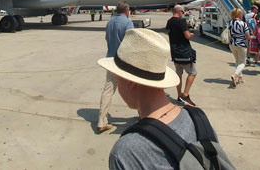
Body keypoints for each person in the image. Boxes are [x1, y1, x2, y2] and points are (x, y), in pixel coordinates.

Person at [98, 28, 235, 170]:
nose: (116, 80)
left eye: (117, 77)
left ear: (131, 82)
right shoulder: (199, 120)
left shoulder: (127, 152)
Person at [97, 1, 134, 133]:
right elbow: (131, 41)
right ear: (127, 11)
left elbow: (106, 38)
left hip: (110, 59)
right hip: (123, 61)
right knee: (135, 87)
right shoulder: (128, 22)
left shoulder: (110, 21)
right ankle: (143, 115)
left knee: (108, 90)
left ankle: (101, 121)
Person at [166, 5, 196, 106]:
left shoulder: (170, 21)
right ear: (179, 12)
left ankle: (179, 95)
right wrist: (191, 34)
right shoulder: (181, 21)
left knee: (179, 74)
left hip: (175, 52)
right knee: (192, 72)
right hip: (184, 52)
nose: (183, 13)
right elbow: (187, 36)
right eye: (183, 12)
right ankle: (185, 95)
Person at [228, 8, 251, 87]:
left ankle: (240, 78)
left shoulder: (230, 22)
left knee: (237, 61)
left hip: (232, 44)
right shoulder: (243, 24)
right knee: (242, 63)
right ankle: (235, 75)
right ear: (239, 14)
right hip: (241, 44)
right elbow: (248, 36)